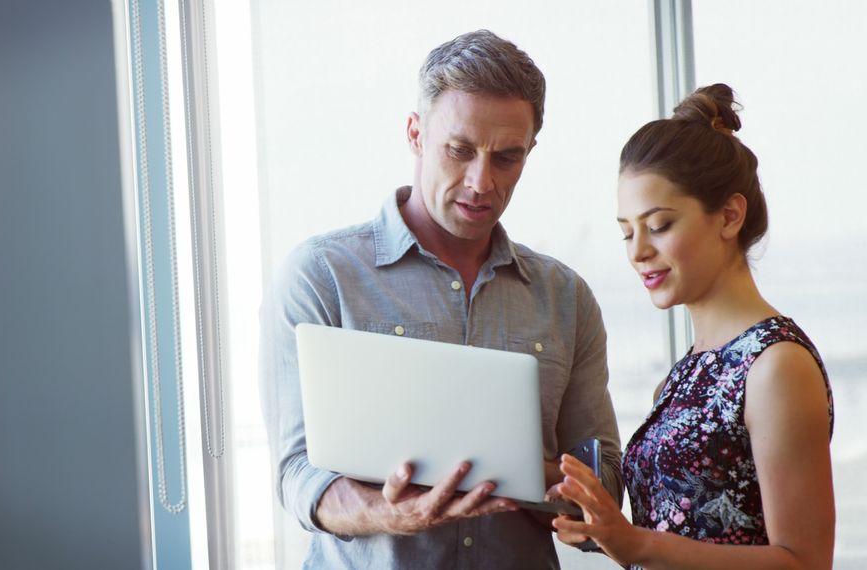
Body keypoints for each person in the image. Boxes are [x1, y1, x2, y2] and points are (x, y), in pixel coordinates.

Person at [259, 29, 623, 568]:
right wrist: (389, 514)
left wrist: (521, 473)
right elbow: (298, 475)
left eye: (507, 158)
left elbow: (605, 491)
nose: (481, 181)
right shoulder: (321, 276)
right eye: (459, 150)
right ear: (415, 133)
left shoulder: (566, 299)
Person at [551, 84, 835, 569]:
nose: (637, 251)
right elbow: (676, 537)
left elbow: (804, 562)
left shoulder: (775, 366)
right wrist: (606, 530)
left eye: (658, 225)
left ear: (729, 215)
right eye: (626, 231)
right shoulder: (685, 374)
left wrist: (636, 543)